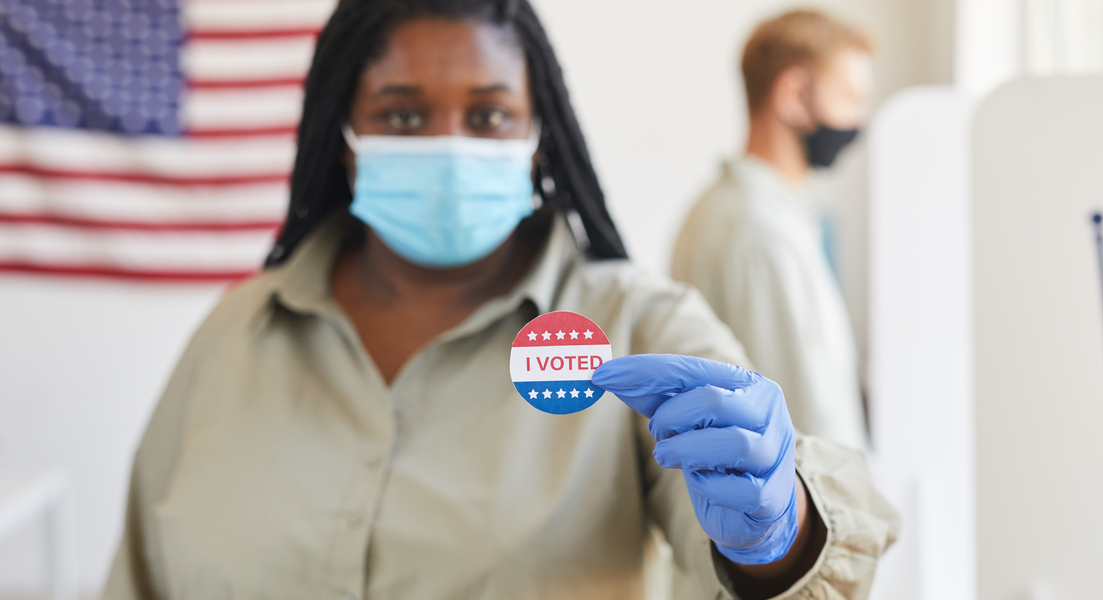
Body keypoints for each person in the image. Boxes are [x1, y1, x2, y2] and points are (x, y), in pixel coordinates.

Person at [102, 1, 897, 598]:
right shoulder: (236, 333)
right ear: (343, 139)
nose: (450, 146)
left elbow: (820, 550)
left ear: (535, 139)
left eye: (488, 115)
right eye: (403, 115)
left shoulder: (637, 325)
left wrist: (781, 535)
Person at [672, 10, 875, 451]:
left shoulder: (733, 210)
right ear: (793, 95)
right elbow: (803, 425)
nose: (859, 120)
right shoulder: (758, 233)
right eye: (850, 98)